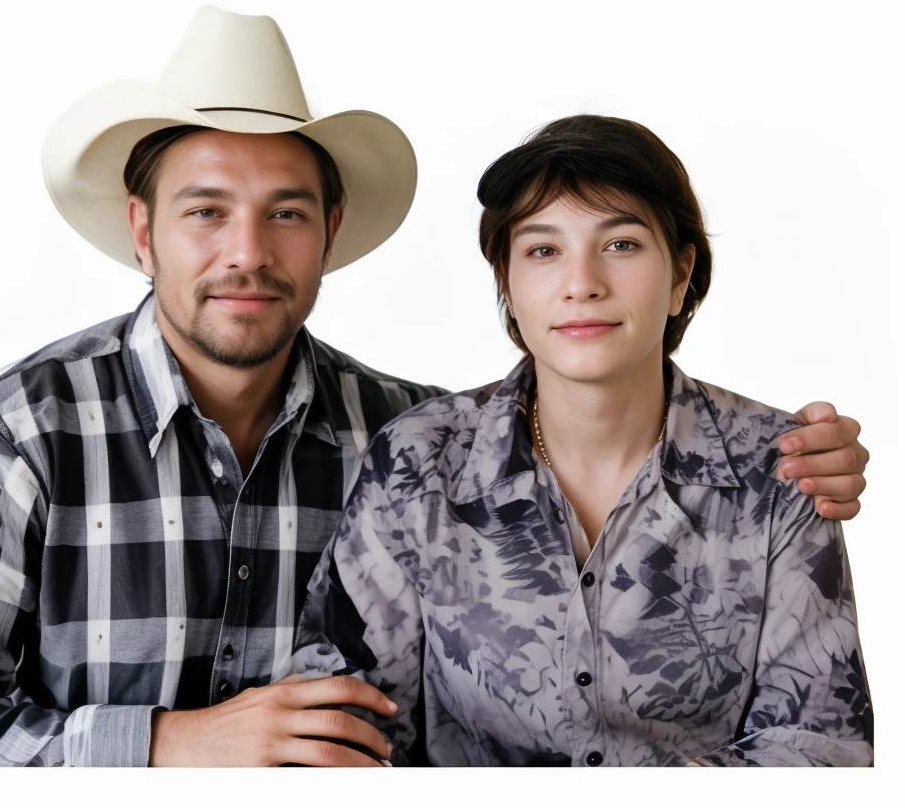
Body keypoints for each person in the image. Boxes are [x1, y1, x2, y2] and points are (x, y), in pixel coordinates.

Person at [0, 11, 869, 768]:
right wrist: (164, 744)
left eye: (286, 213)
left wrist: (792, 462)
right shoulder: (15, 433)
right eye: (204, 211)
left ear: (330, 229)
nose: (246, 253)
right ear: (142, 230)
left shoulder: (410, 442)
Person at [291, 115, 873, 766]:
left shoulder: (780, 470)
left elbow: (818, 749)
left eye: (621, 244)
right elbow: (339, 726)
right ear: (508, 286)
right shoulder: (419, 461)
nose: (582, 283)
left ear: (681, 274)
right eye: (543, 250)